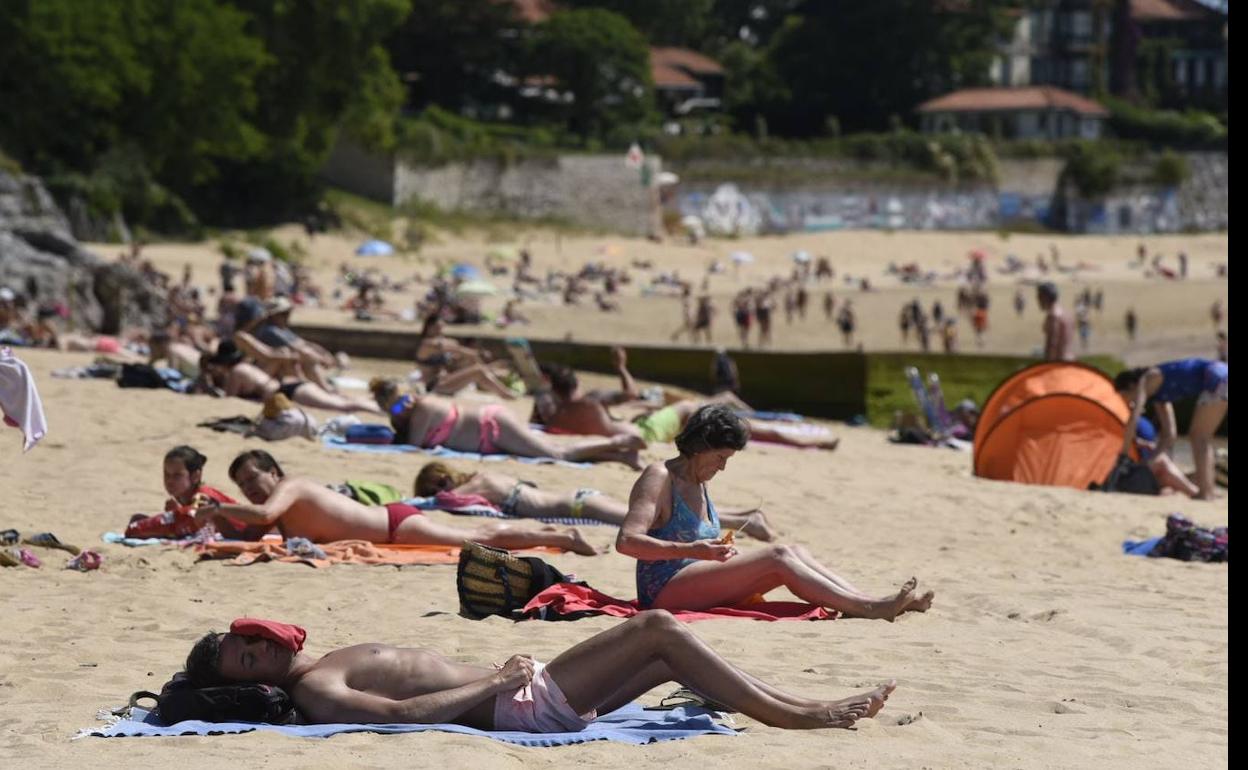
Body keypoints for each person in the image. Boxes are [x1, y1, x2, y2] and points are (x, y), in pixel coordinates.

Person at [183, 612, 897, 730]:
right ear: (257, 682)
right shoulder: (316, 689)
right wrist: (496, 682)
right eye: (247, 661)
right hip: (516, 705)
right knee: (657, 629)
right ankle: (796, 714)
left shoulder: (321, 658)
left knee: (657, 658)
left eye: (249, 644)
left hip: (522, 693)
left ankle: (792, 703)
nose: (259, 651)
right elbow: (401, 718)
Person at [617, 406, 932, 618]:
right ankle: (869, 607)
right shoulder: (660, 476)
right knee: (778, 555)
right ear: (700, 446)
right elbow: (627, 541)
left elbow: (687, 531)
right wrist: (691, 549)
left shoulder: (698, 479)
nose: (723, 466)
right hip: (662, 590)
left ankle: (867, 600)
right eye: (720, 457)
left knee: (794, 551)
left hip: (690, 578)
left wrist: (714, 547)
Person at [190, 450, 599, 554]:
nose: (250, 489)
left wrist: (220, 507)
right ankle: (551, 532)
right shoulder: (278, 504)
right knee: (478, 536)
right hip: (390, 527)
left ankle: (562, 536)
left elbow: (260, 515)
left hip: (394, 524)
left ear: (273, 472)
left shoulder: (291, 486)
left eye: (252, 478)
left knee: (478, 537)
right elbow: (249, 530)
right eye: (241, 485)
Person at [414, 462, 776, 541]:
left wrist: (421, 500)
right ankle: (746, 516)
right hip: (578, 498)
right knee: (656, 513)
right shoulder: (486, 474)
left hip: (579, 507)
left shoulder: (475, 483)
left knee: (652, 520)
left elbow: (442, 500)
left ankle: (747, 521)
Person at [539, 368, 838, 451]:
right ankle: (808, 440)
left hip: (645, 428)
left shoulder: (555, 413)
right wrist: (619, 367)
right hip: (647, 431)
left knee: (695, 416)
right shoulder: (589, 402)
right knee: (690, 407)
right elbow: (628, 393)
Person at [370, 378, 643, 467]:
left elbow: (414, 447)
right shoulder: (410, 415)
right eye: (396, 405)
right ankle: (619, 456)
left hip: (492, 425)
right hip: (490, 437)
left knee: (556, 454)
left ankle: (618, 442)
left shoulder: (424, 408)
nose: (404, 404)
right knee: (554, 454)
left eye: (404, 397)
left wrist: (394, 424)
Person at [1112, 360, 1228, 500]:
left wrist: (1123, 453)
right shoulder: (1160, 396)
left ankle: (1205, 493)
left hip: (1217, 377)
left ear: (1131, 386)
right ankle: (1208, 490)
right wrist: (1153, 458)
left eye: (1125, 397)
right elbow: (1169, 434)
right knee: (1201, 437)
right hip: (1220, 378)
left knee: (1199, 437)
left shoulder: (1148, 378)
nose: (1127, 402)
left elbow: (1134, 417)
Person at [127, 446, 269, 540]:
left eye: (177, 476)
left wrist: (178, 513)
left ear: (195, 476)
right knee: (138, 519)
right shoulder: (182, 497)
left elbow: (197, 523)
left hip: (245, 531)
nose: (170, 481)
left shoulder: (203, 496)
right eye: (167, 474)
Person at [202, 341, 381, 413]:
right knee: (338, 402)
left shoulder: (236, 372)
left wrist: (209, 387)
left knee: (340, 406)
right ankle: (378, 405)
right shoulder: (245, 367)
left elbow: (230, 400)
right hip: (291, 386)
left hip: (288, 392)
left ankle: (379, 410)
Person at [1113, 386, 1201, 498]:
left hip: (1145, 465)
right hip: (1132, 467)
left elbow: (1168, 436)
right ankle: (1194, 493)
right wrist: (1142, 444)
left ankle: (1192, 492)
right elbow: (1121, 442)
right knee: (1162, 462)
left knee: (1166, 468)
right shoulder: (1123, 419)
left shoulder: (1141, 419)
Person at [1036, 282, 1074, 361]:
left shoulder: (1053, 316)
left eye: (1039, 297)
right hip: (1070, 360)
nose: (1038, 300)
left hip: (1059, 363)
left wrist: (1046, 365)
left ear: (1045, 297)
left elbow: (1052, 344)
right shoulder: (1067, 314)